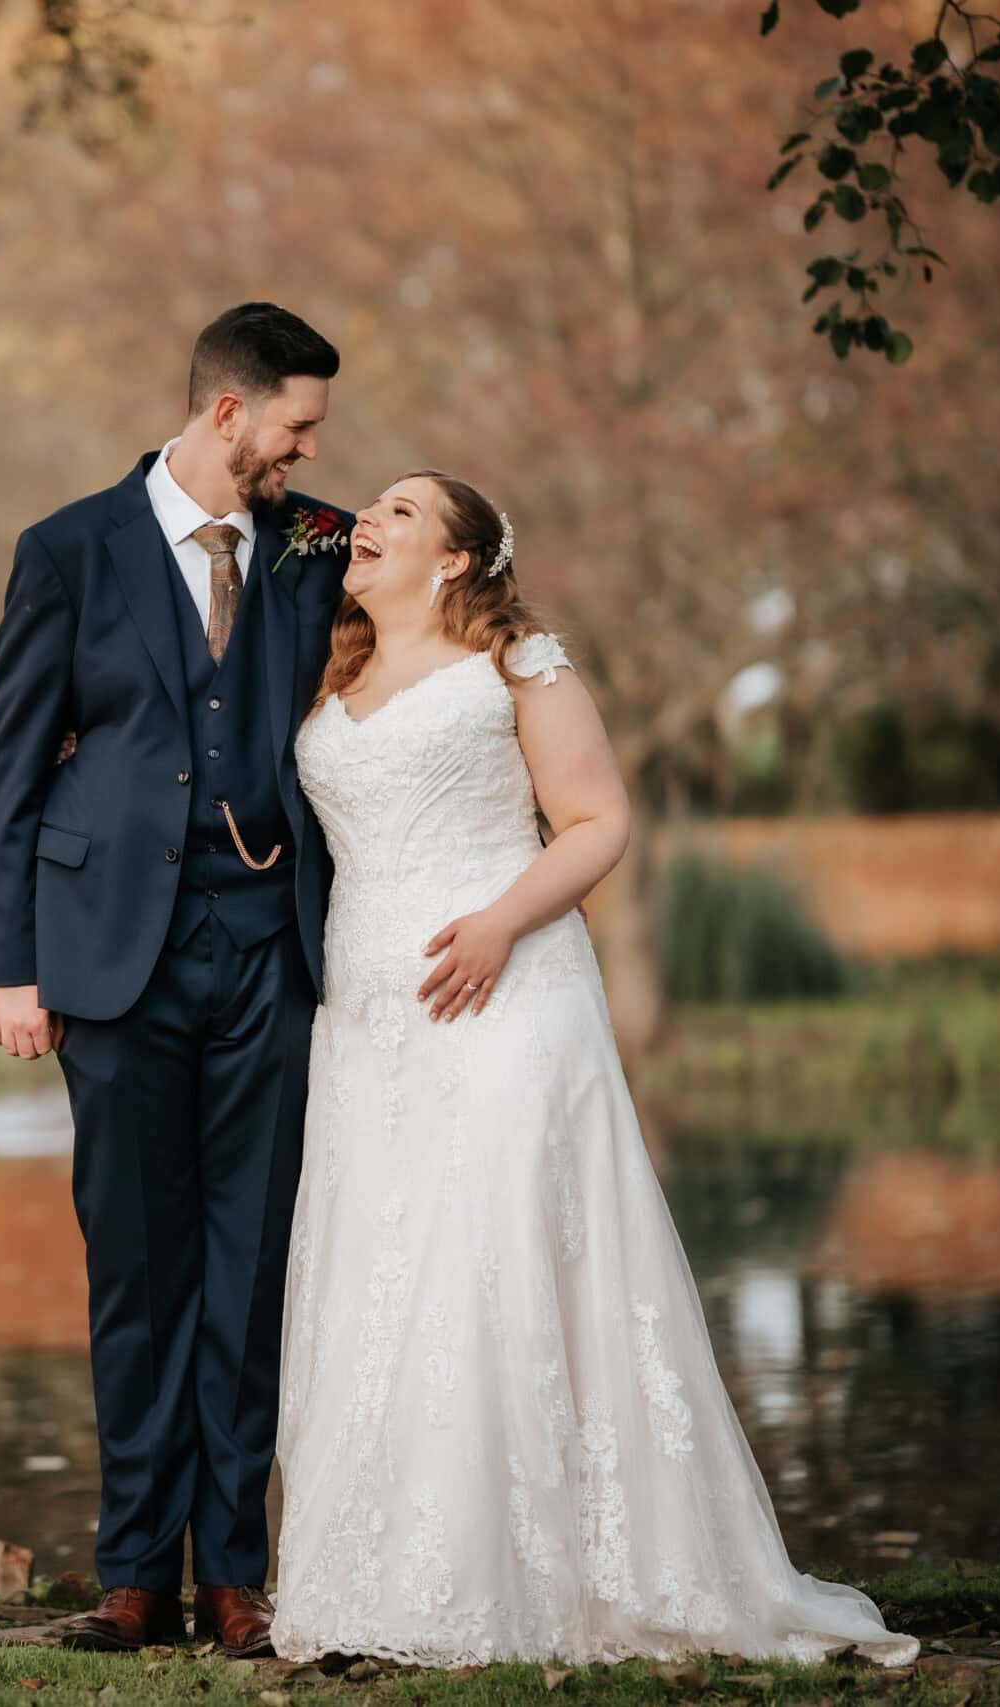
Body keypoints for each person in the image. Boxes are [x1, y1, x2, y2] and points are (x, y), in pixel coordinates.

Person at [266, 470, 918, 1668]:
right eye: (373, 507)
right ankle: (382, 1579)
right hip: (367, 1015)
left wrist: (501, 921)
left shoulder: (520, 664)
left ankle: (552, 1575)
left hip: (507, 992)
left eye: (404, 512)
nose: (369, 520)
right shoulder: (328, 667)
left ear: (455, 559)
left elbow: (600, 820)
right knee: (386, 1271)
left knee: (495, 1251)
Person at [0, 303, 352, 1657]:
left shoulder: (318, 545)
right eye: (296, 426)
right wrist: (9, 961)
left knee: (249, 1273)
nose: (308, 452)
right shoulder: (67, 548)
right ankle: (133, 1566)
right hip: (107, 953)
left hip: (269, 947)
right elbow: (13, 764)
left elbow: (434, 628)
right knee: (137, 1263)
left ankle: (236, 1567)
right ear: (228, 412)